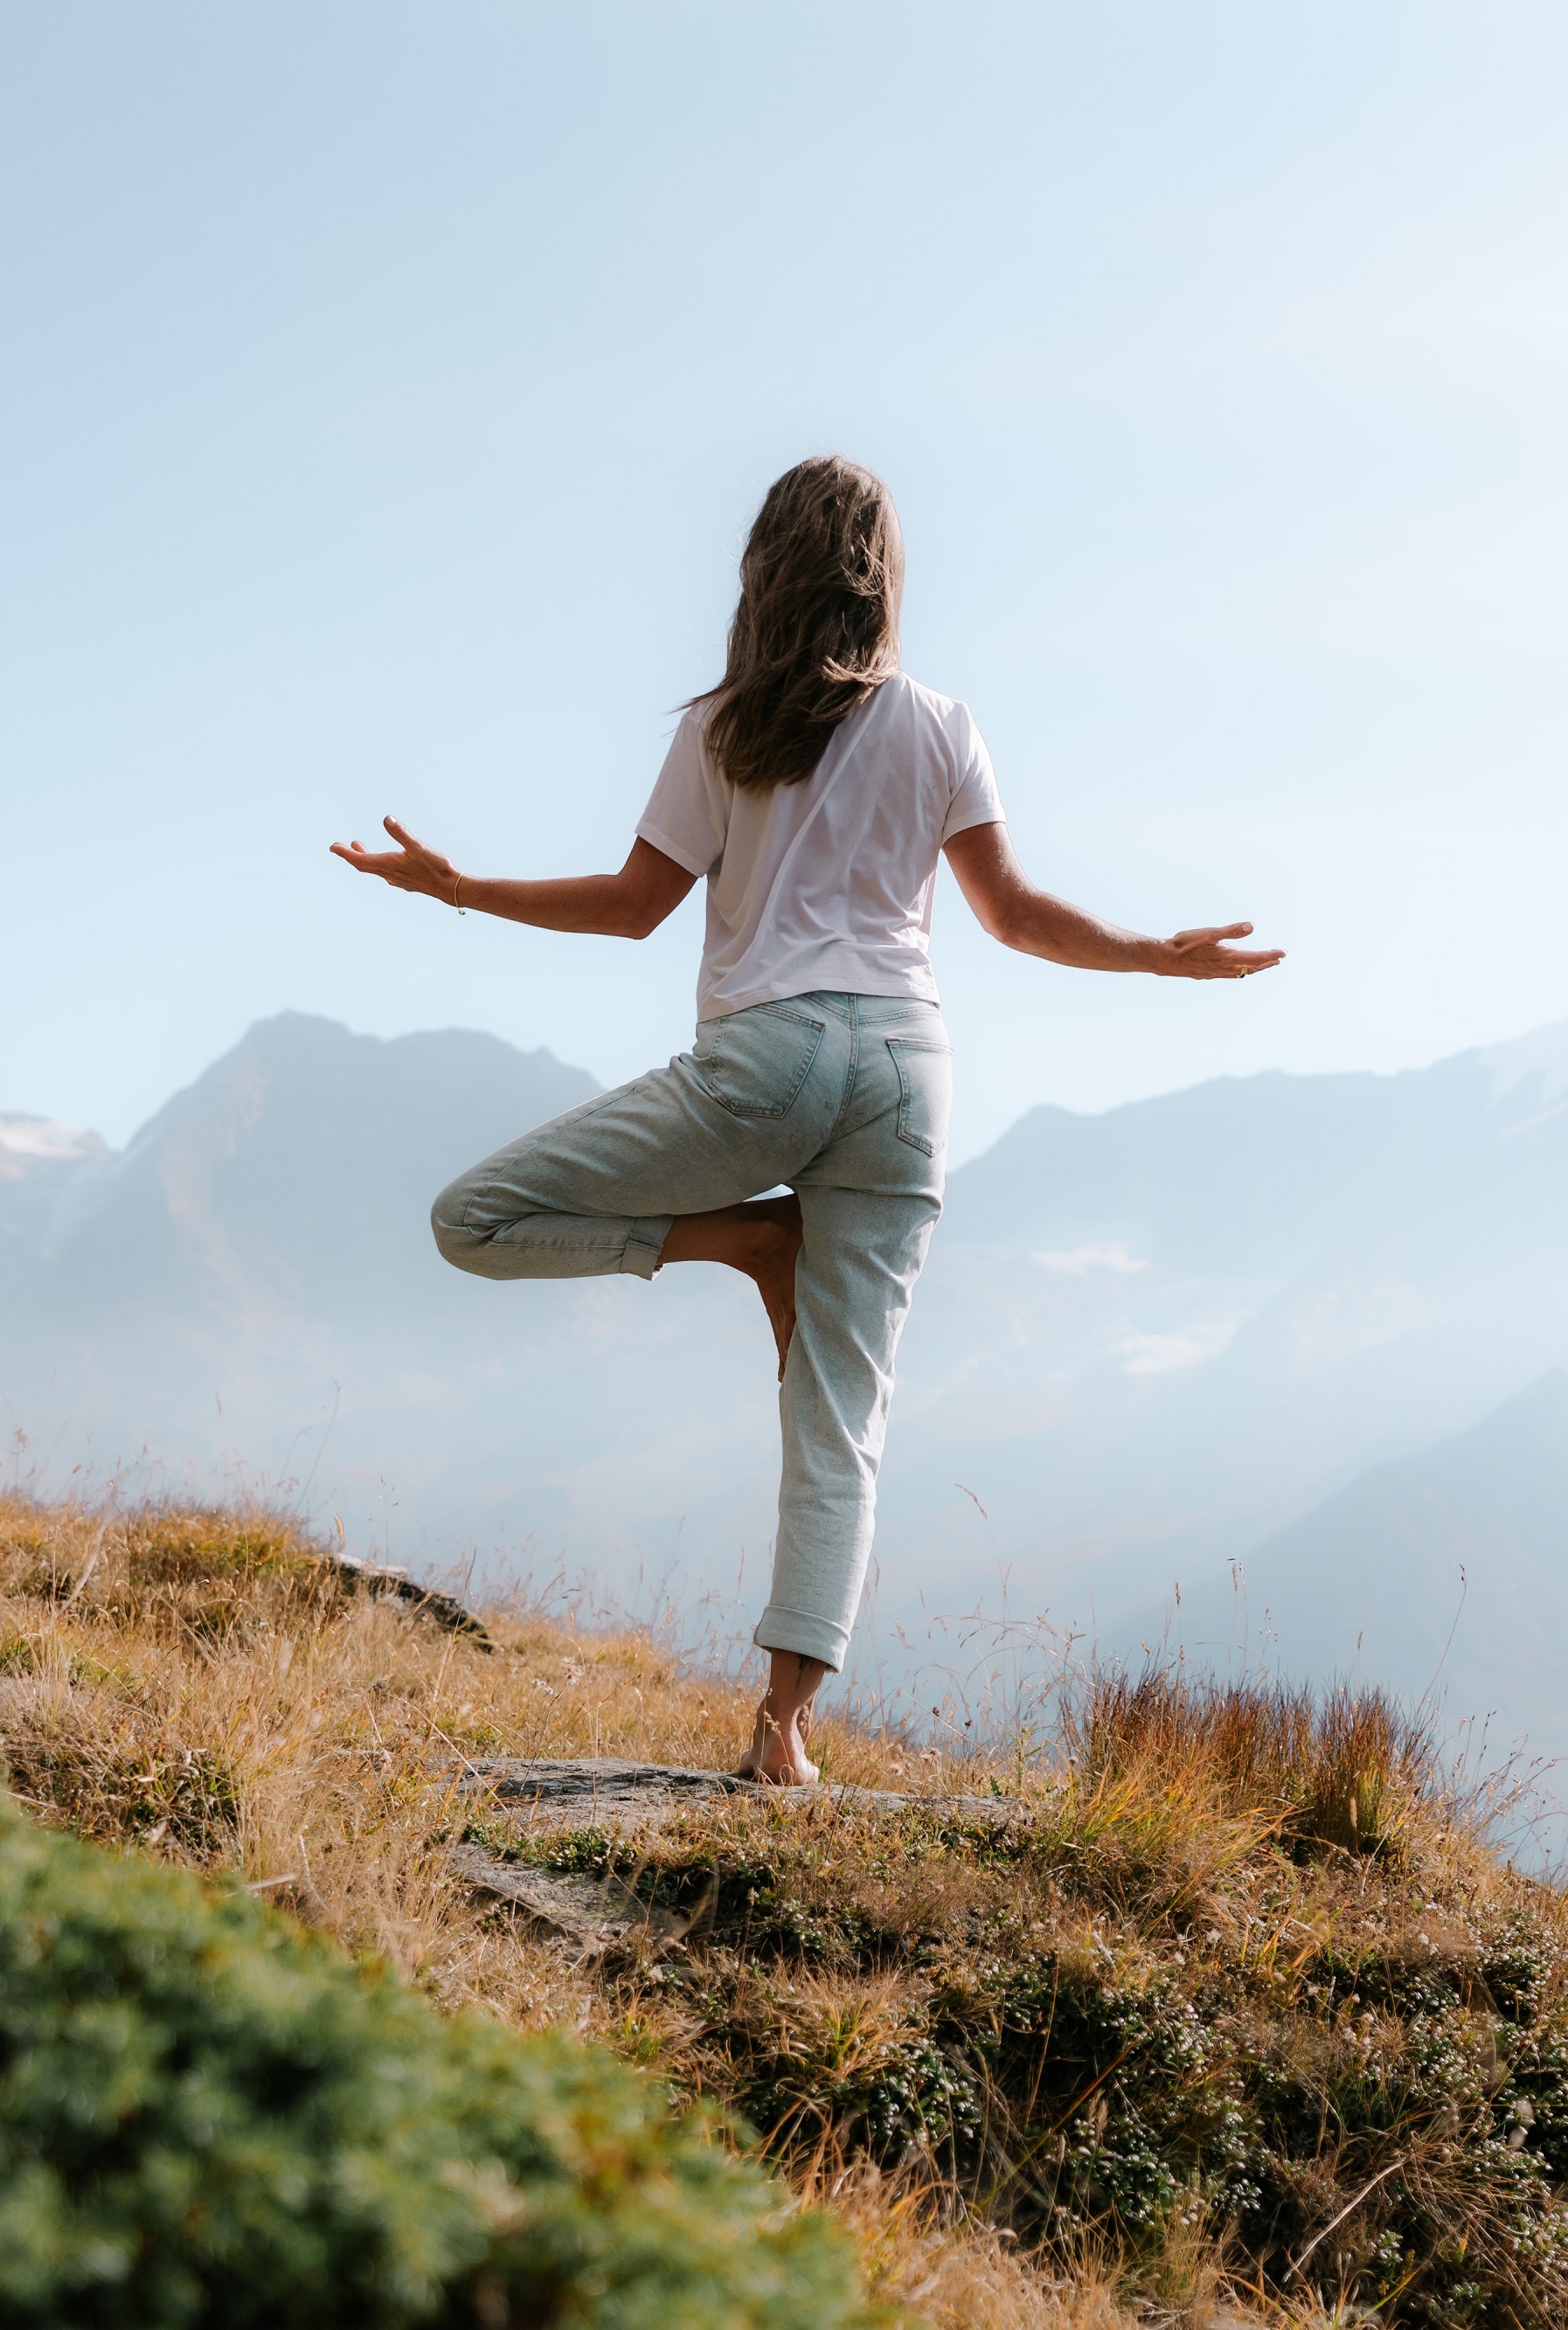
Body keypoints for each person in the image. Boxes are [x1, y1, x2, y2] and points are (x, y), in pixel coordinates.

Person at [331, 455, 1281, 1786]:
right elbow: (1010, 917)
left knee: (470, 1219)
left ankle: (741, 1245)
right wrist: (1157, 958)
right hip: (908, 1077)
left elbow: (631, 905)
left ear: (763, 571)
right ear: (883, 573)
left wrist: (459, 890)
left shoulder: (723, 726)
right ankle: (783, 1729)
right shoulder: (942, 722)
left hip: (767, 1065)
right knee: (842, 1414)